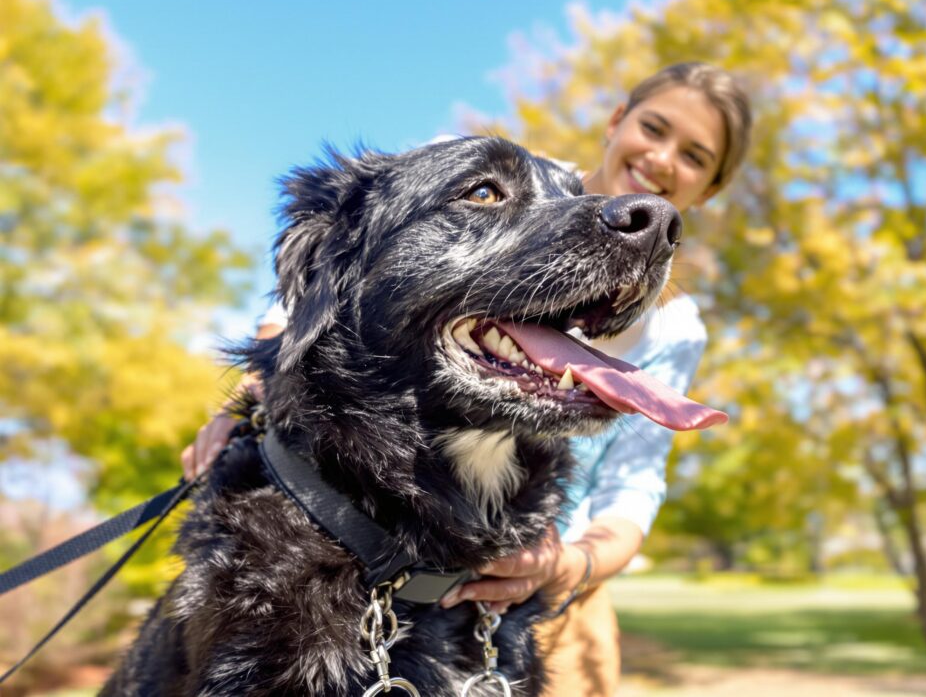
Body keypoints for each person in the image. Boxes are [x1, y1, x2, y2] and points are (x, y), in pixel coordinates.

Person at [180, 62, 752, 697]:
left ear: (710, 188)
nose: (663, 160)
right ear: (618, 121)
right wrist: (247, 401)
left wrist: (570, 563)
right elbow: (299, 307)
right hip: (334, 533)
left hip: (544, 578)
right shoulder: (460, 166)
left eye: (695, 156)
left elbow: (632, 487)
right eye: (655, 128)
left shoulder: (677, 328)